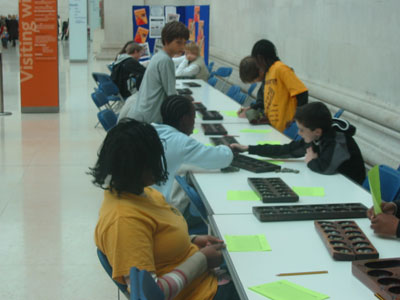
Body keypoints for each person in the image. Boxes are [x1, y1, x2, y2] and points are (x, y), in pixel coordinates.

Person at [91, 119, 239, 300]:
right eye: (154, 159)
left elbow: (157, 238)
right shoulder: (124, 222)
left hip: (206, 281)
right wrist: (202, 260)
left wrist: (192, 239)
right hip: (202, 294)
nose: (160, 164)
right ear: (136, 166)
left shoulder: (144, 193)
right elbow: (150, 294)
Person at [231, 102, 366, 184]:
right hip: (332, 181)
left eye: (301, 130)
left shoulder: (338, 141)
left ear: (317, 131)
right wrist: (248, 148)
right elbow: (287, 150)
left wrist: (311, 161)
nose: (299, 134)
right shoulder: (314, 137)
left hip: (350, 186)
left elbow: (326, 168)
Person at [152, 95, 233, 212]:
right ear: (184, 119)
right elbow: (222, 158)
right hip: (163, 210)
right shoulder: (182, 142)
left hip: (146, 202)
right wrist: (229, 148)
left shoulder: (152, 129)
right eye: (193, 118)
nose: (194, 124)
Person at [125, 21, 189, 123]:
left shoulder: (159, 56)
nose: (182, 47)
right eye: (178, 42)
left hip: (143, 111)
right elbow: (171, 95)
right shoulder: (166, 60)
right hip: (150, 116)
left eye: (185, 43)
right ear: (167, 41)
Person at [240, 40, 309, 132]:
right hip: (274, 128)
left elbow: (302, 93)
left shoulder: (281, 68)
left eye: (256, 61)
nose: (257, 65)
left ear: (261, 58)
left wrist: (297, 118)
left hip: (285, 129)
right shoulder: (268, 73)